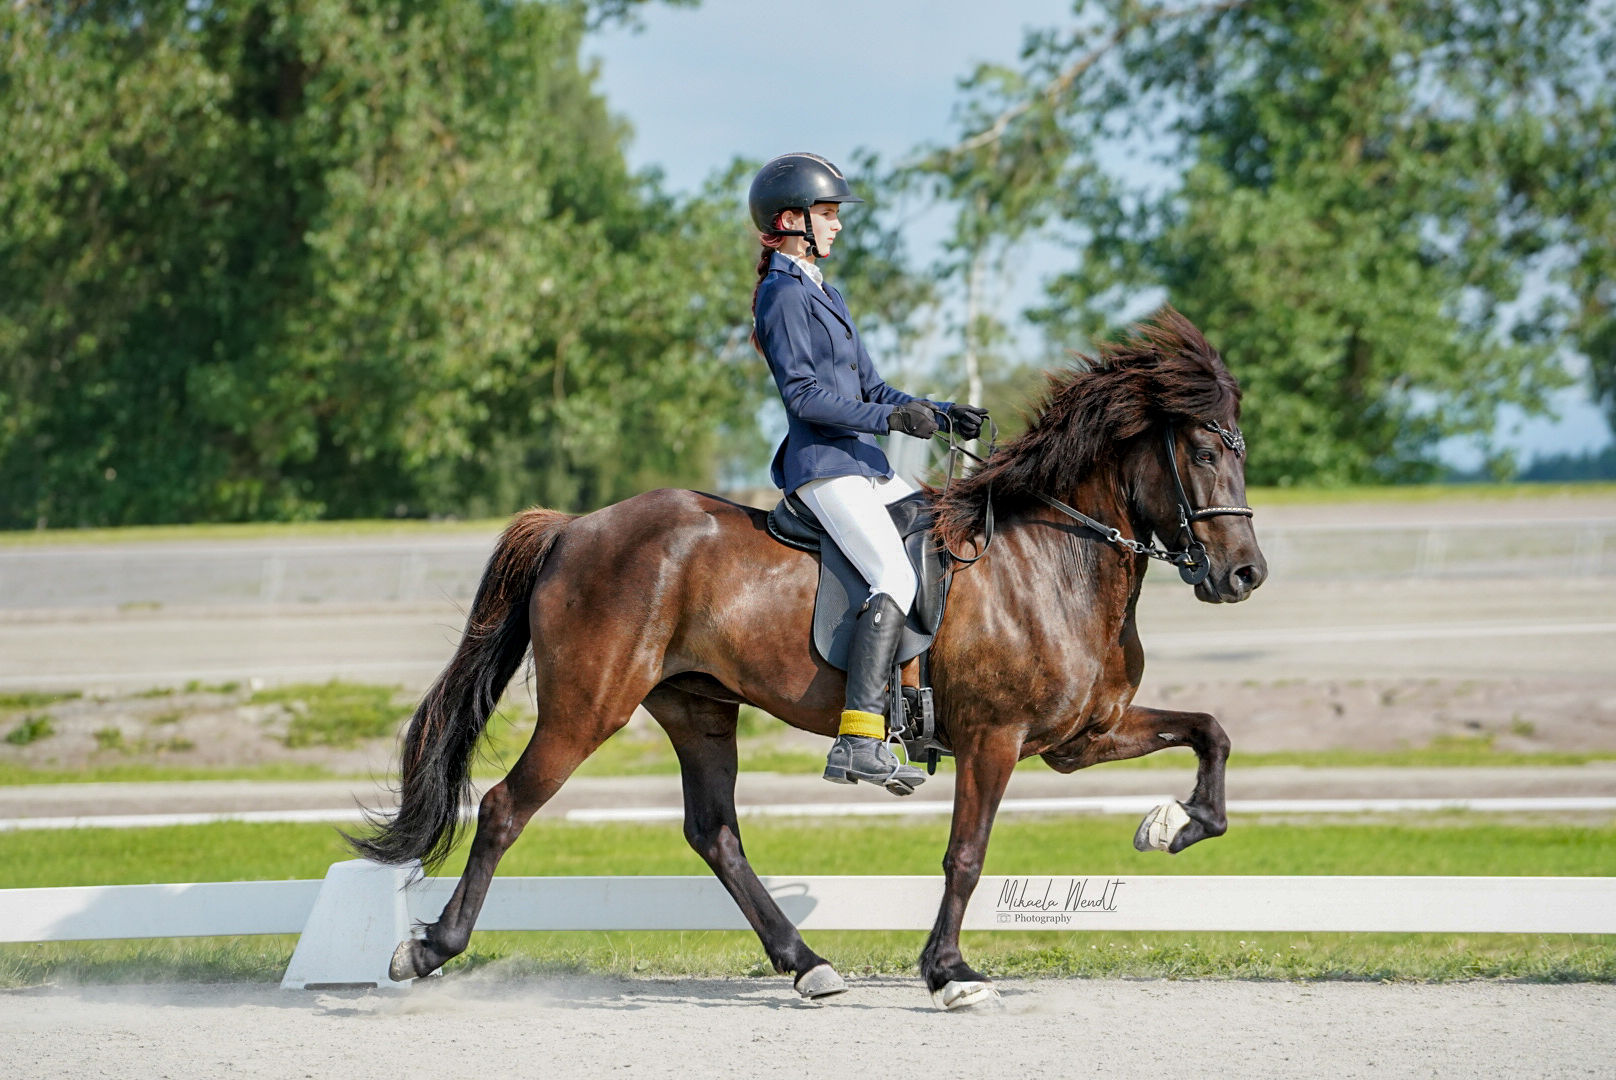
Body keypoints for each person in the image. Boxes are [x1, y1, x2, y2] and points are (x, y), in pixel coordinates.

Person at [747, 152, 988, 794]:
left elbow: (872, 386)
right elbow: (803, 398)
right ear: (791, 220)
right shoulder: (781, 294)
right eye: (828, 214)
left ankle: (922, 706)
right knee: (890, 572)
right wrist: (890, 422)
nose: (838, 225)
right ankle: (858, 736)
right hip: (825, 466)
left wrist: (935, 412)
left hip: (863, 463)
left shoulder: (827, 292)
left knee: (940, 535)